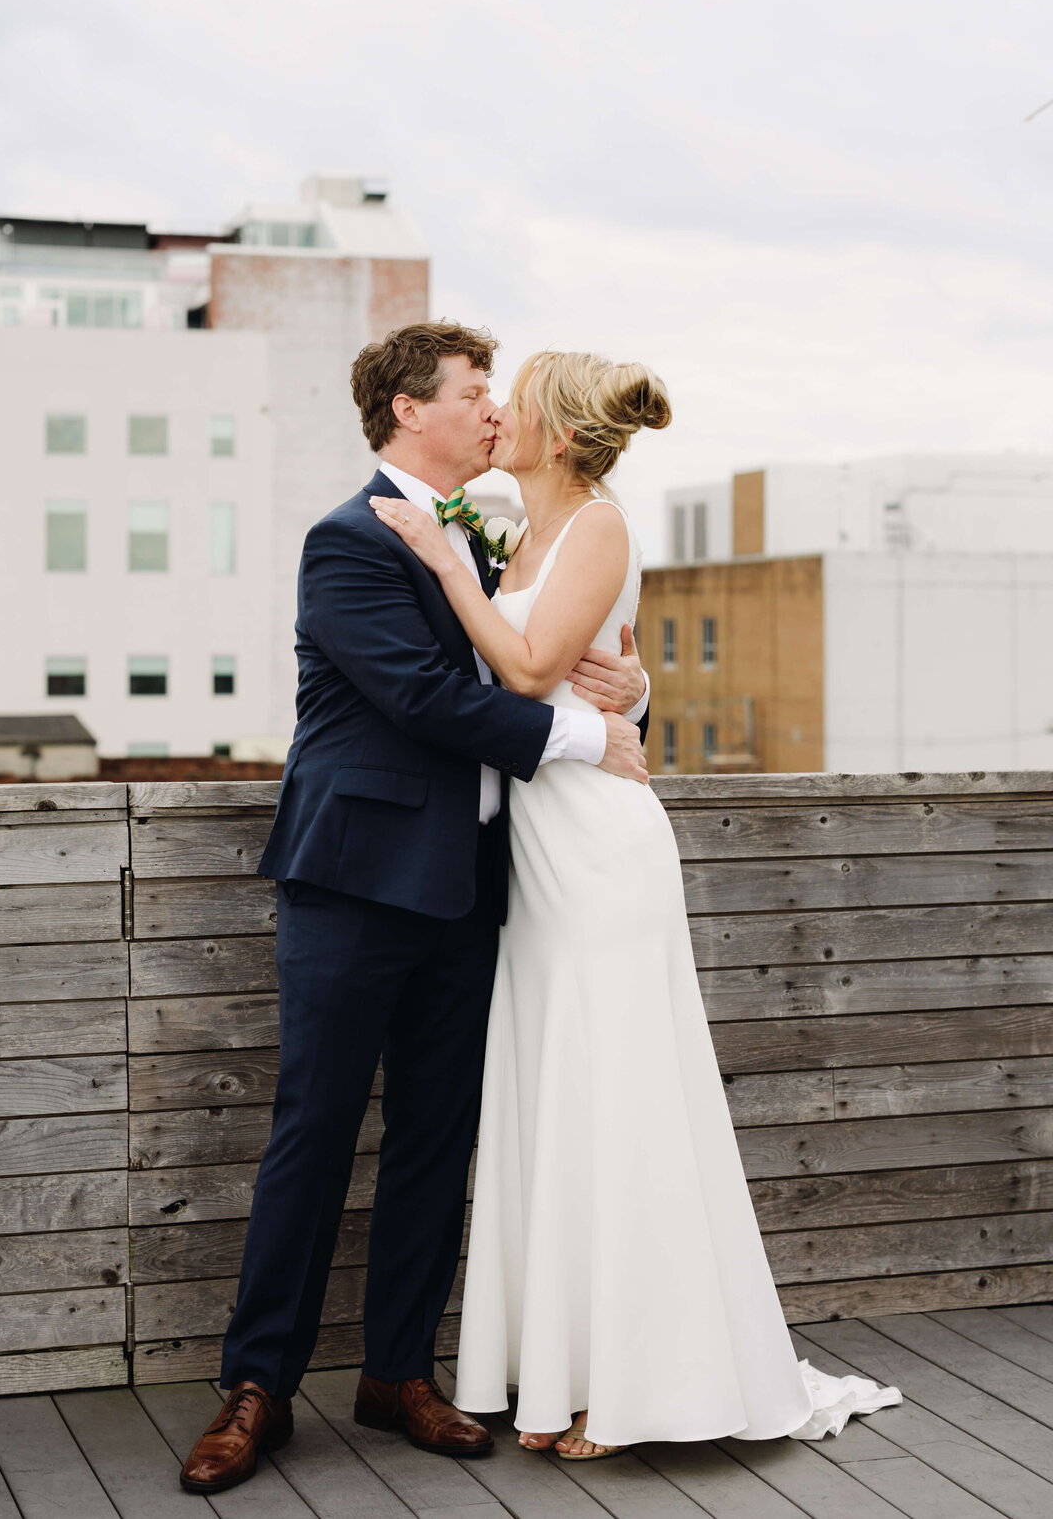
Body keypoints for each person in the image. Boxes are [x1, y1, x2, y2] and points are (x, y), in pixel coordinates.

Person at [371, 347, 900, 1459]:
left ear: (558, 435)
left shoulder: (597, 522)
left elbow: (524, 673)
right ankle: (563, 1374)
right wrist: (636, 682)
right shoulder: (519, 532)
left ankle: (640, 1389)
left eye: (516, 401)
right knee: (560, 1096)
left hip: (601, 855)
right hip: (538, 851)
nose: (497, 412)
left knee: (620, 1097)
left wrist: (445, 565)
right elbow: (576, 668)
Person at [179, 322, 651, 1495]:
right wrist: (600, 737)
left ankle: (398, 1373)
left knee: (439, 1139)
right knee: (315, 1129)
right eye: (474, 392)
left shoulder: (494, 542)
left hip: (479, 888)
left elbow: (549, 653)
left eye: (500, 394)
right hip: (353, 883)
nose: (495, 411)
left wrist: (632, 692)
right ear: (407, 411)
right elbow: (429, 698)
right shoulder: (346, 542)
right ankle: (257, 1388)